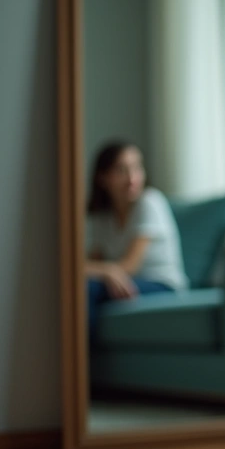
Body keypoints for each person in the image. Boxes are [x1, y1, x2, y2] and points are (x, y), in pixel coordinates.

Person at [85, 141, 188, 330]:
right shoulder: (102, 216)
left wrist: (105, 270)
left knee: (88, 289)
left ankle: (81, 358)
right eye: (121, 170)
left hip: (162, 285)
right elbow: (90, 264)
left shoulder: (150, 202)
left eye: (136, 168)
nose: (132, 178)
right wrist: (107, 271)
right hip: (123, 283)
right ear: (103, 178)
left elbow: (129, 266)